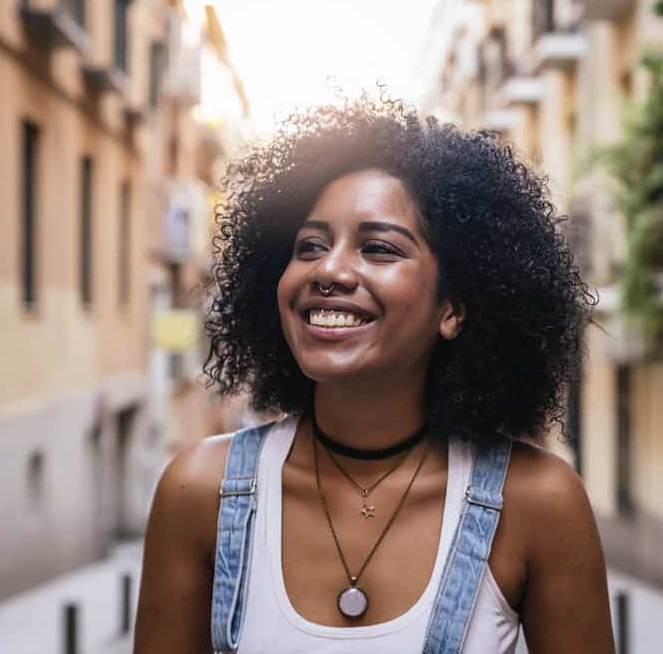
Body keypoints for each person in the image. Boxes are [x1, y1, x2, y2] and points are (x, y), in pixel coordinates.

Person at [134, 94, 614, 653]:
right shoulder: (200, 493)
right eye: (310, 245)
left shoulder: (537, 504)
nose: (330, 269)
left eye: (379, 249)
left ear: (453, 309)